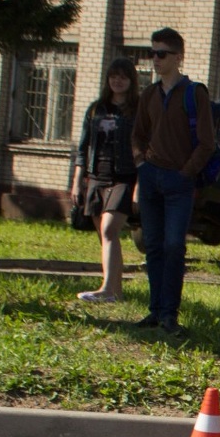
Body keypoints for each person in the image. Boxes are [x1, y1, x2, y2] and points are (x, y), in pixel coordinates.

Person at [131, 28, 216, 337]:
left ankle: (170, 313)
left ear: (178, 57)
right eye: (152, 53)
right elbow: (138, 133)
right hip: (151, 177)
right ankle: (155, 310)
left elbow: (207, 142)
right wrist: (141, 163)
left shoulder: (194, 94)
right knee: (152, 245)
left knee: (173, 246)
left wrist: (186, 172)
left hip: (178, 182)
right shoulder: (150, 94)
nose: (155, 59)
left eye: (161, 54)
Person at [71, 57, 140, 302]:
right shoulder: (96, 109)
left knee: (110, 228)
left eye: (123, 77)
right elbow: (82, 147)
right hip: (96, 176)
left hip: (124, 177)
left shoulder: (136, 111)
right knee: (105, 235)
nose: (117, 81)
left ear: (131, 81)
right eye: (114, 76)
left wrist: (138, 186)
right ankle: (115, 290)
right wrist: (78, 180)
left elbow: (142, 148)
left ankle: (107, 289)